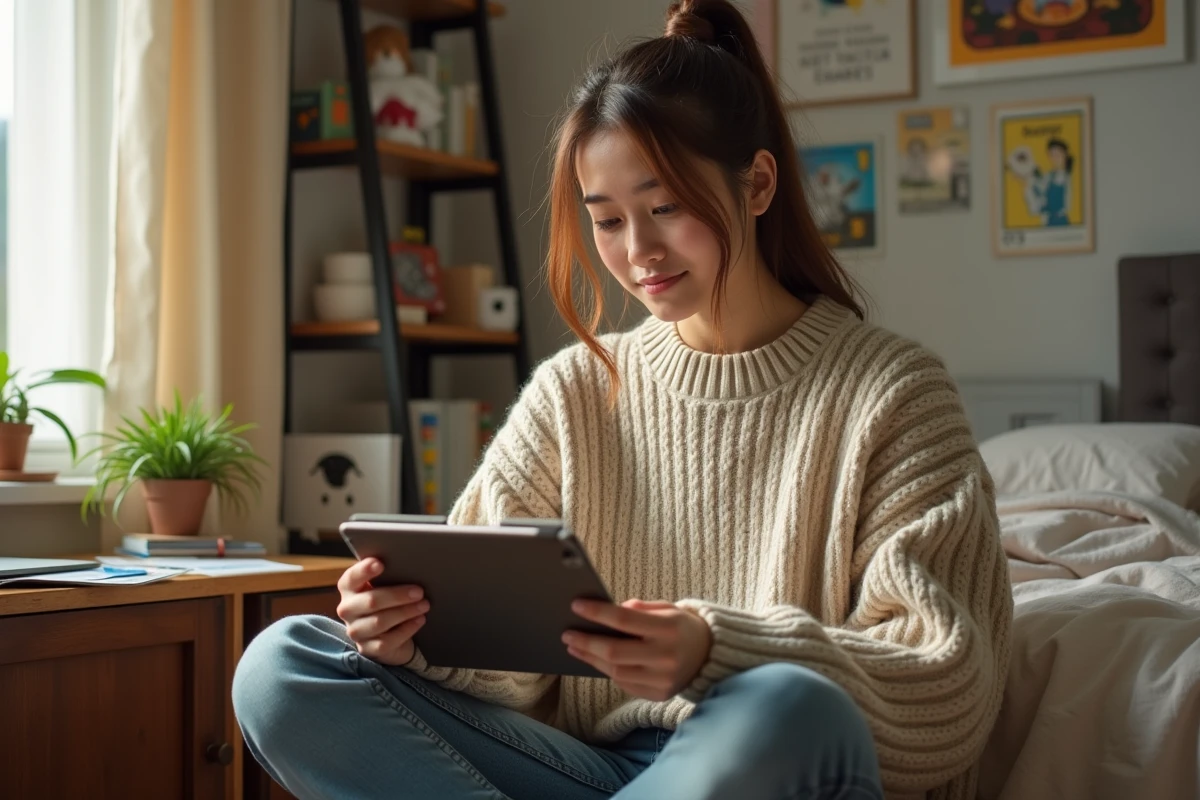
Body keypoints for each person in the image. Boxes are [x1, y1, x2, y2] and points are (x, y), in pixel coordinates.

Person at [233, 2, 1012, 798]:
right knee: (283, 666)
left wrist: (713, 651)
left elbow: (946, 688)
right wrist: (406, 637)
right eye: (606, 220)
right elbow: (492, 658)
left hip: (758, 762)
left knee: (790, 705)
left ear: (759, 183)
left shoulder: (893, 395)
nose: (637, 252)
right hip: (583, 770)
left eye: (664, 207)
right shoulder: (574, 391)